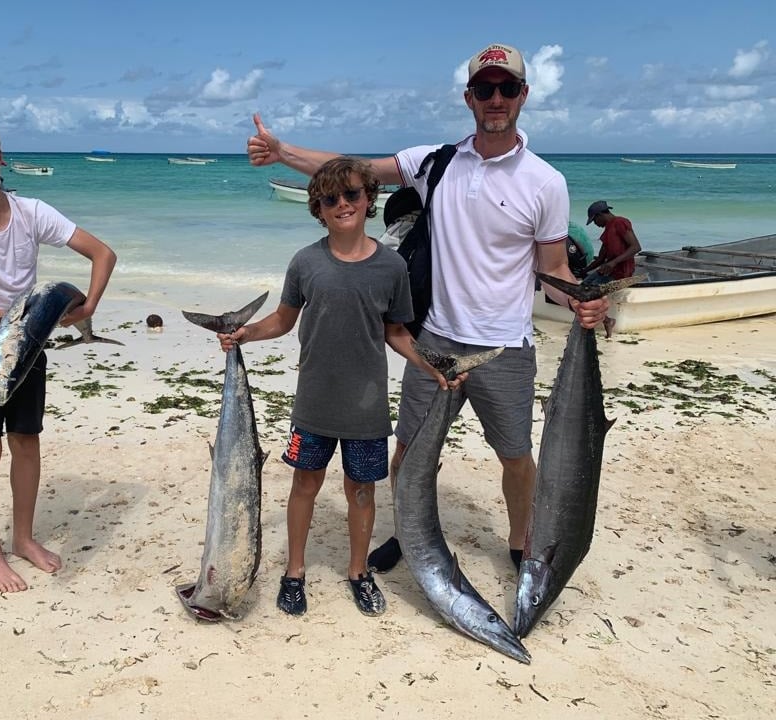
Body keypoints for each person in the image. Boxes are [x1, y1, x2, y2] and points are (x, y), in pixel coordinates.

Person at [245, 43, 609, 575]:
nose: (496, 99)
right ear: (469, 97)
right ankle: (408, 528)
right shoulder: (434, 163)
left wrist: (582, 302)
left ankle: (518, 541)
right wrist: (283, 153)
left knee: (514, 455)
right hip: (434, 340)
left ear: (523, 96)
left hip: (506, 343)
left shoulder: (545, 182)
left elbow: (552, 270)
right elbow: (354, 169)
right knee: (409, 450)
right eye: (485, 89)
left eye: (507, 88)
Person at [217, 156, 445, 617]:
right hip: (314, 402)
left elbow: (397, 333)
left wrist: (433, 367)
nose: (342, 204)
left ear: (369, 199)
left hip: (367, 407)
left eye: (352, 195)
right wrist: (244, 333)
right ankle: (294, 571)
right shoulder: (305, 262)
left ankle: (358, 572)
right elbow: (282, 320)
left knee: (362, 491)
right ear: (317, 208)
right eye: (330, 199)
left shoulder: (391, 268)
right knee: (305, 484)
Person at [0, 109, 117, 593]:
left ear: (0, 156)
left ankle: (24, 539)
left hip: (28, 348)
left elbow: (102, 253)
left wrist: (88, 305)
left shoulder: (31, 211)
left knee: (27, 441)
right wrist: (39, 316)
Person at [584, 200, 642, 337]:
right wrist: (585, 270)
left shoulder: (620, 223)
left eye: (594, 220)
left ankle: (607, 320)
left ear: (600, 215)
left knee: (589, 293)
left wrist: (613, 263)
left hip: (620, 272)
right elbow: (600, 259)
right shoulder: (607, 231)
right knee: (584, 287)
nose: (595, 224)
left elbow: (636, 247)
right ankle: (607, 320)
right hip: (607, 270)